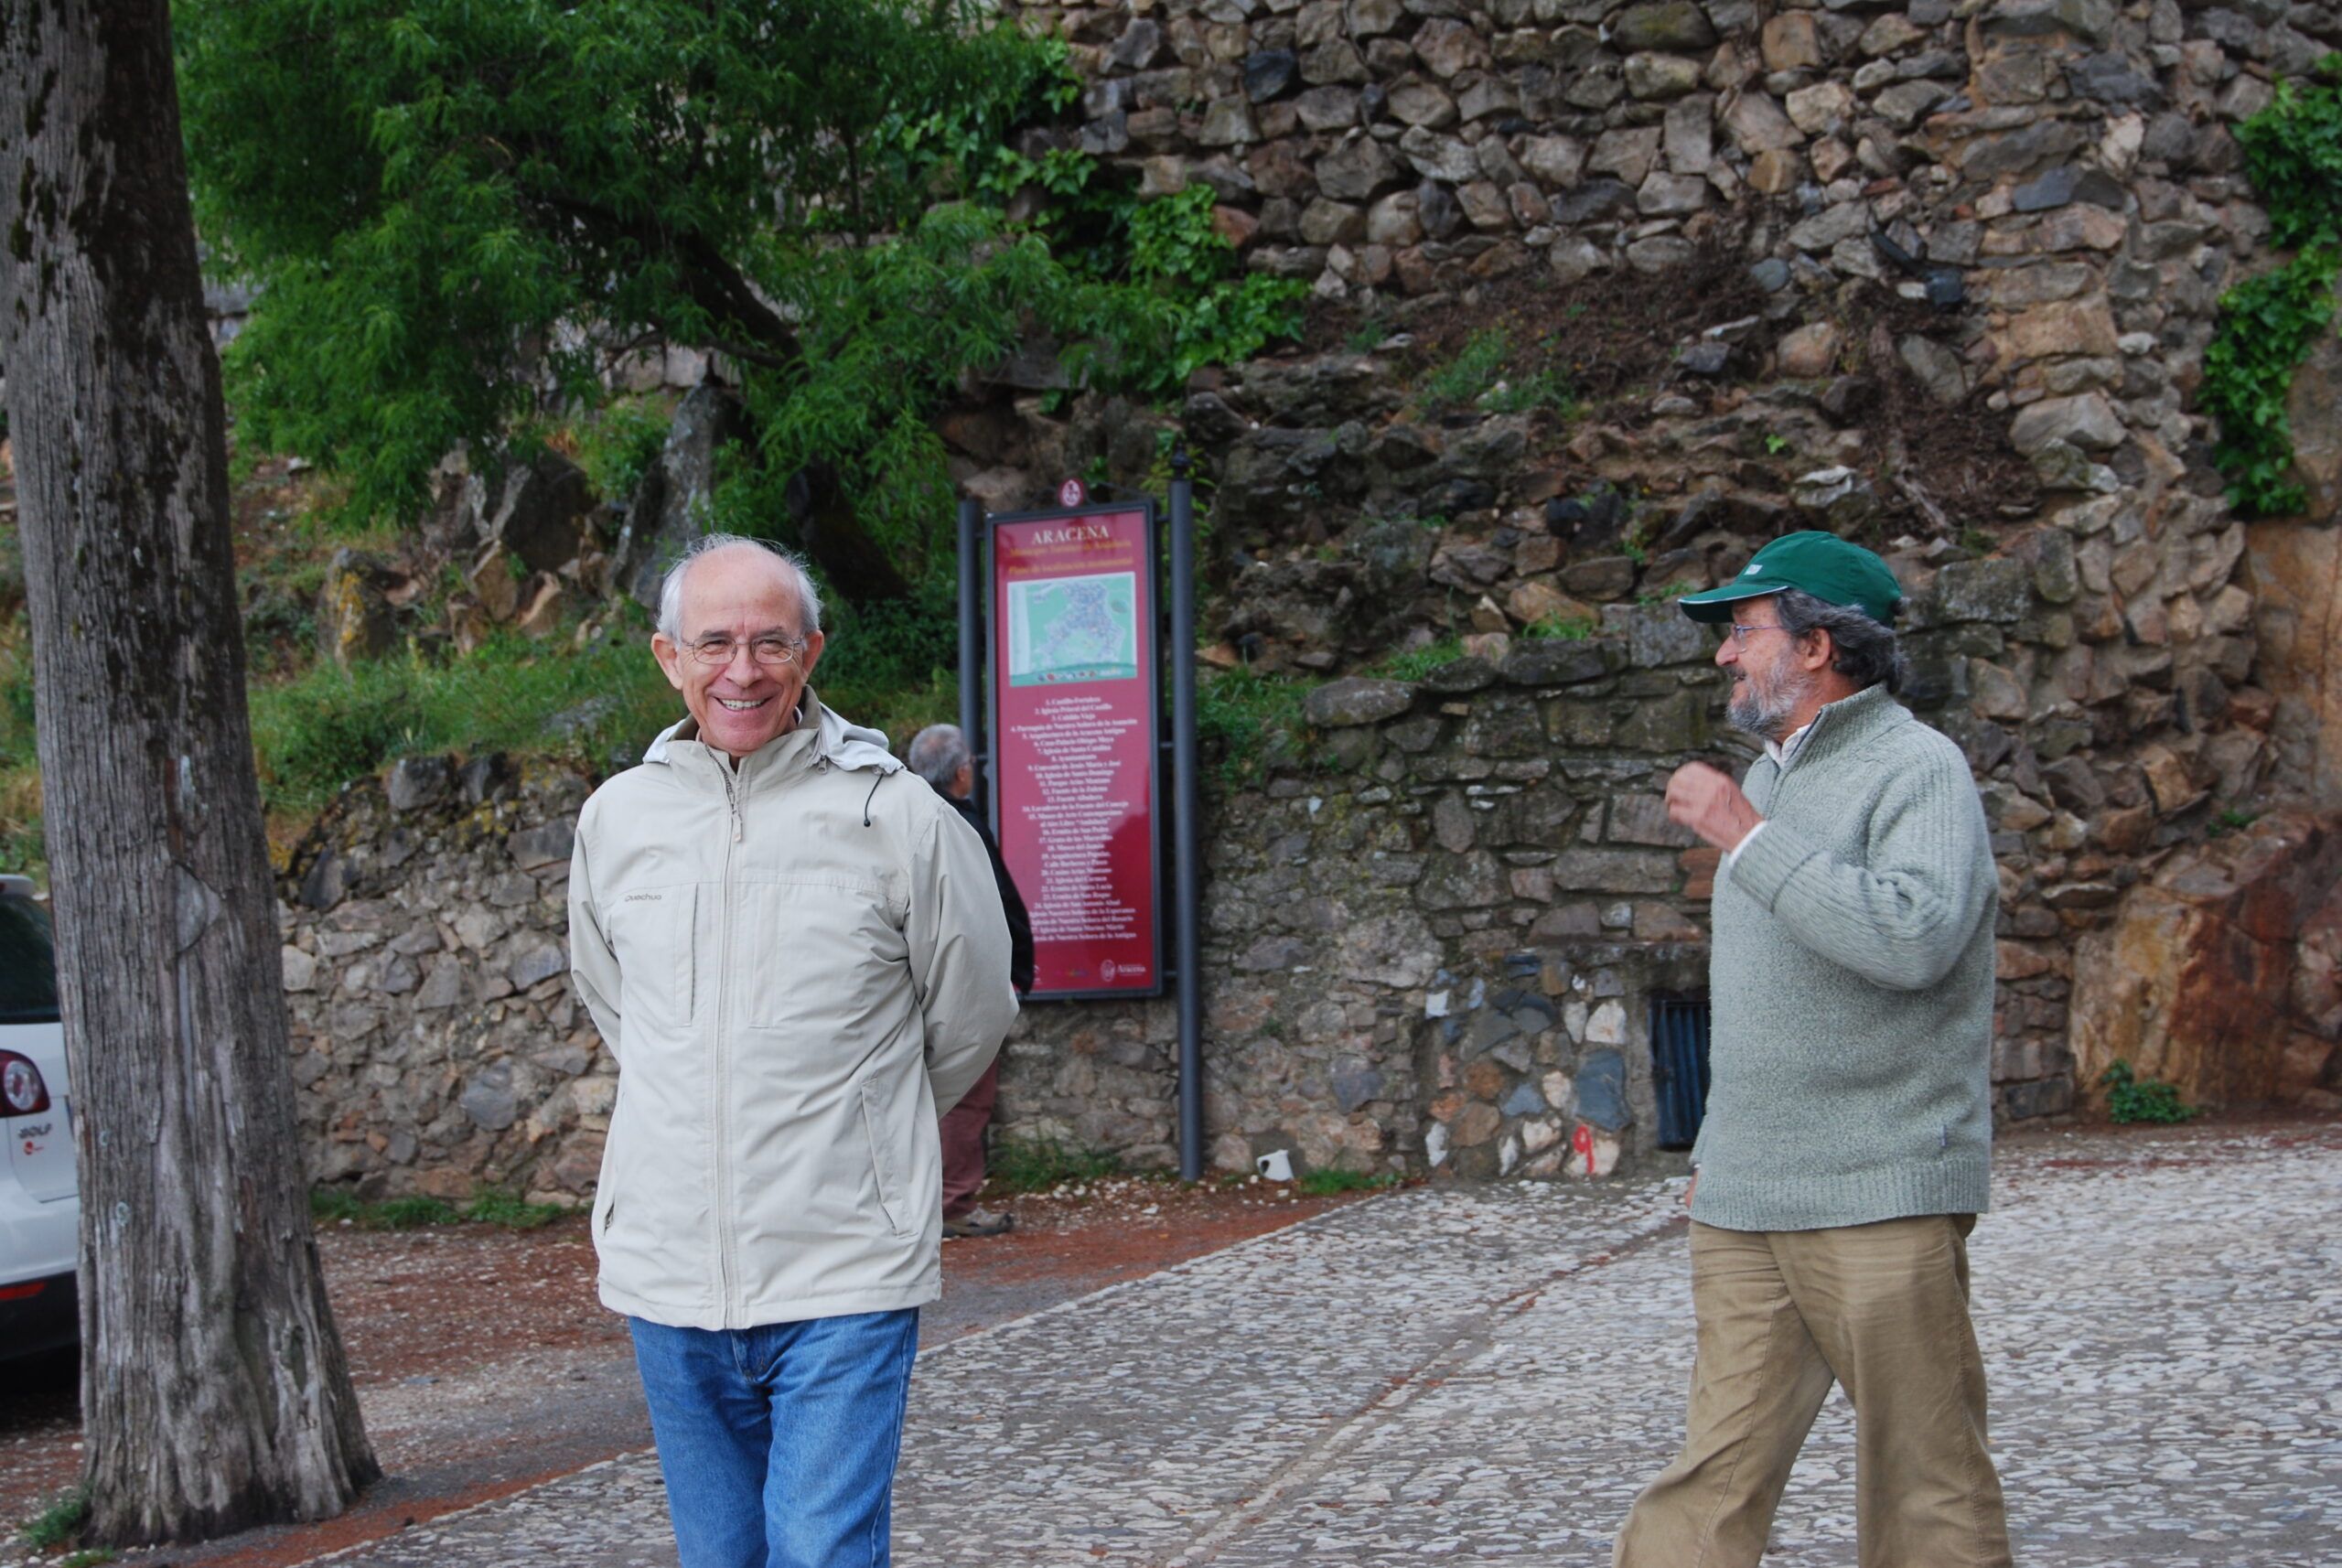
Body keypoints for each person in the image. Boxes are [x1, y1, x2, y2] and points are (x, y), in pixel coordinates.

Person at [567, 533, 1018, 1568]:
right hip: (668, 1270)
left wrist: (865, 1126)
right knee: (719, 1554)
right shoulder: (616, 820)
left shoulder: (894, 814)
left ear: (810, 653)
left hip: (843, 1266)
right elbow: (618, 1005)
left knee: (818, 1550)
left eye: (771, 643)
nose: (743, 670)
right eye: (714, 642)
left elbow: (969, 1012)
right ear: (666, 657)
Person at [1615, 531, 2012, 1568]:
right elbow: (1766, 1000)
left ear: (1819, 643)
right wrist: (1721, 1150)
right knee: (1706, 1482)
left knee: (1925, 1486)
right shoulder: (1774, 775)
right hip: (1747, 1201)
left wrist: (1745, 832)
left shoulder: (1919, 768)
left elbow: (1913, 937)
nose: (1723, 654)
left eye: (1742, 630)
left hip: (1882, 1190)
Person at [904, 723, 1034, 1240]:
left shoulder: (907, 818)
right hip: (960, 984)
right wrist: (1010, 974)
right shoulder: (957, 822)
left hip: (921, 978)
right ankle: (953, 1202)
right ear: (962, 772)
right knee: (965, 1091)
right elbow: (988, 907)